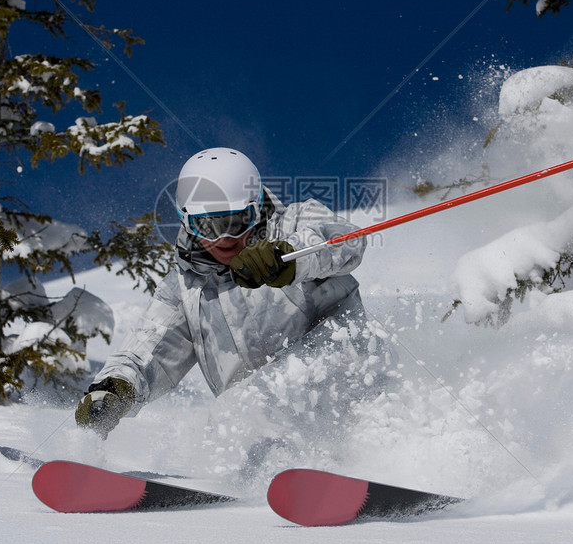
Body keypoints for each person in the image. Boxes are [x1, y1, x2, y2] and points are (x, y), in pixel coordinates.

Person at [75, 146, 367, 439]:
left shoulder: (293, 224)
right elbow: (148, 351)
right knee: (236, 424)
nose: (225, 237)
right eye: (206, 226)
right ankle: (271, 480)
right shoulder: (187, 288)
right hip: (279, 429)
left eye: (236, 221)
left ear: (257, 208)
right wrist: (114, 389)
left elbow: (345, 241)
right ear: (186, 223)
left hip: (351, 376)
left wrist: (290, 256)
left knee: (239, 413)